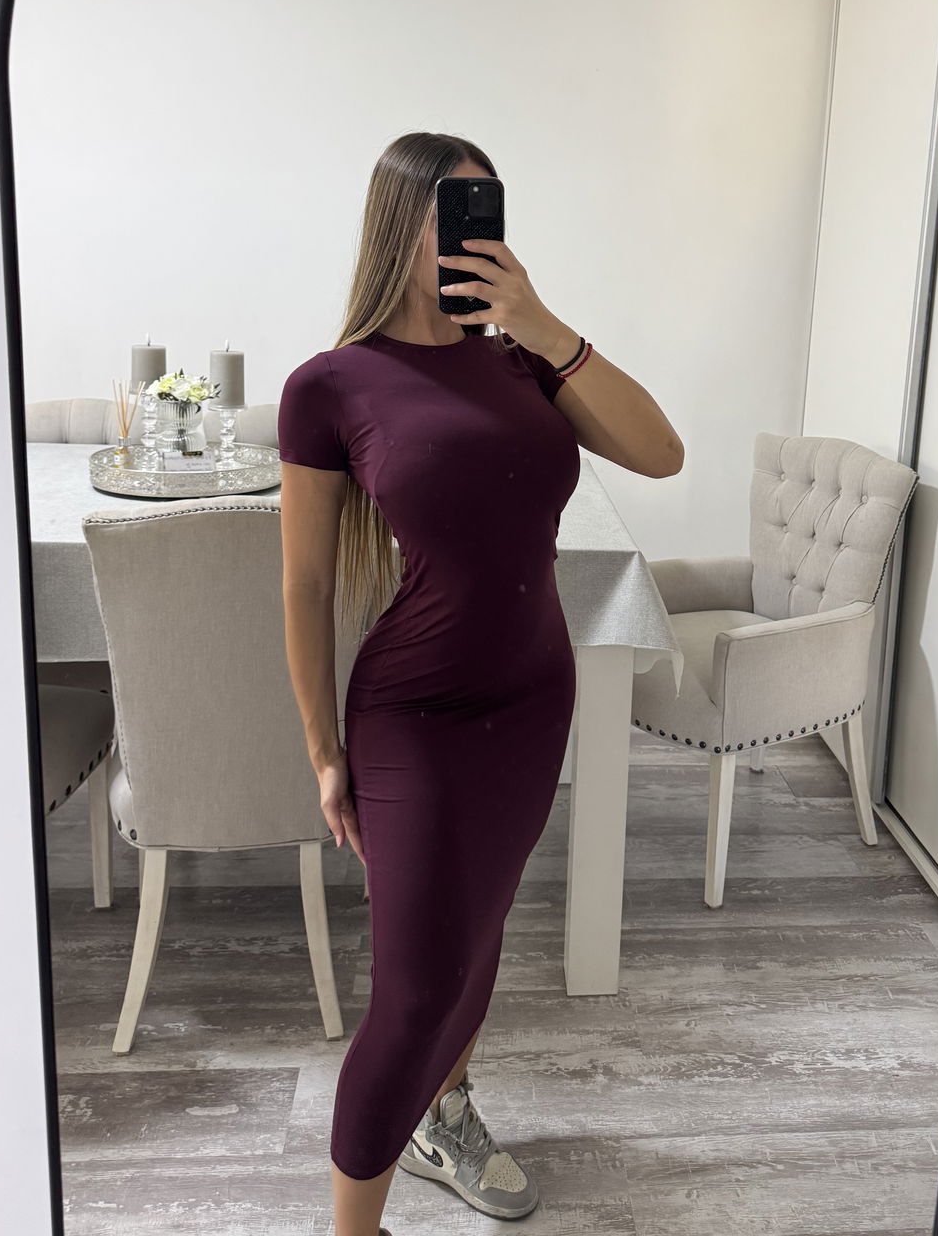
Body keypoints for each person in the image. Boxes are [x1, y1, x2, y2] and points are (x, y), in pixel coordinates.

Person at [277, 132, 684, 1236]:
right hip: (415, 711)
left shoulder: (525, 360)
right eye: (453, 210)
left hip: (533, 697)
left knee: (477, 938)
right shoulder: (330, 385)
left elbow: (662, 453)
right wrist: (322, 747)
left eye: (487, 208)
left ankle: (443, 1116)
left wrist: (544, 326)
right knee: (414, 993)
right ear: (398, 223)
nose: (474, 232)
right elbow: (305, 583)